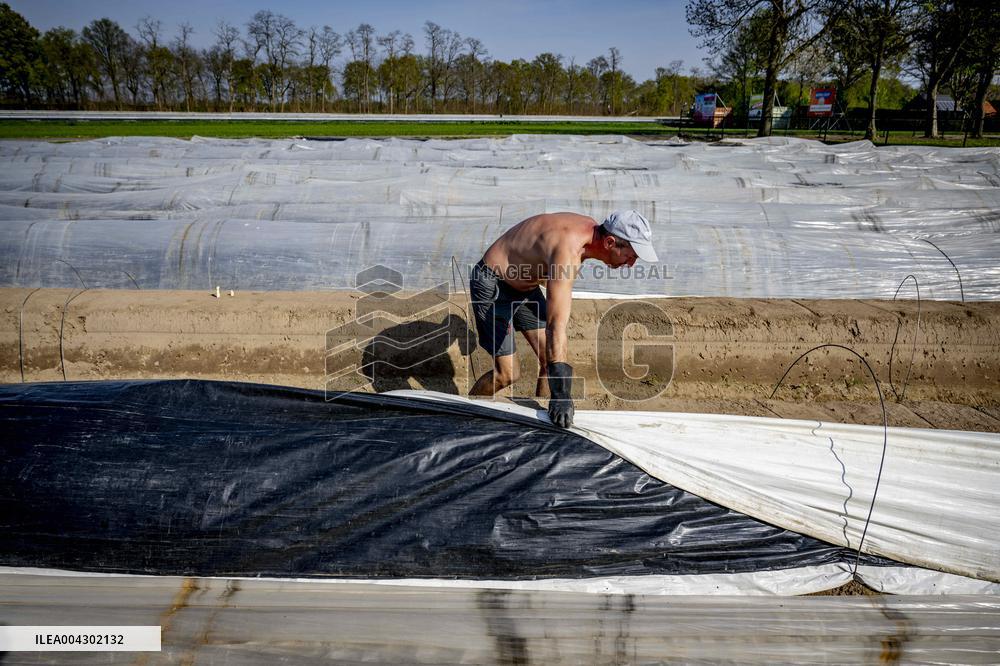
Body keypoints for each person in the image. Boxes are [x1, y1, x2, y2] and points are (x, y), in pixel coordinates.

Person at [468, 210, 658, 427]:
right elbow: (555, 325)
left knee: (549, 362)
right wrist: (562, 395)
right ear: (610, 242)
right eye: (631, 255)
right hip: (493, 282)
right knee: (508, 373)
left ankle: (543, 424)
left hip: (524, 287)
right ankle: (464, 412)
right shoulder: (568, 250)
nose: (631, 264)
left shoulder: (590, 233)